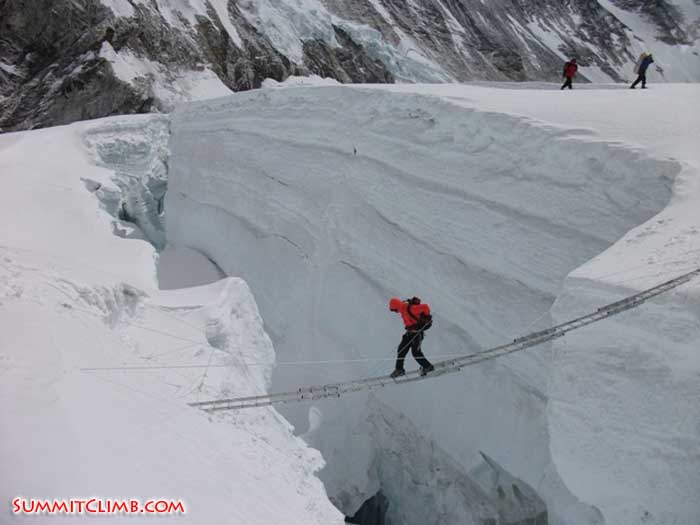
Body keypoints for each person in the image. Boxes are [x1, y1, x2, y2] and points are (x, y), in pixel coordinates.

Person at [388, 297, 435, 378]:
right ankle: (399, 369)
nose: (396, 312)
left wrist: (425, 318)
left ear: (396, 306)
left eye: (395, 310)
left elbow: (425, 307)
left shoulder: (410, 308)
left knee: (416, 352)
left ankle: (427, 366)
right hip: (410, 333)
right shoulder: (403, 310)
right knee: (401, 350)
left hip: (417, 334)